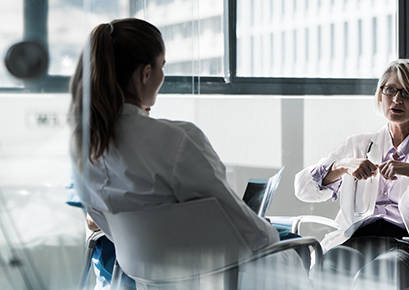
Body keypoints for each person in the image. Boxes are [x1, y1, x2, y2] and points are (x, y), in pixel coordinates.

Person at [69, 19, 279, 265]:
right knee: (295, 245)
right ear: (146, 74)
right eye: (162, 67)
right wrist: (266, 230)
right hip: (219, 277)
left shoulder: (84, 151)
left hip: (149, 280)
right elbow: (254, 237)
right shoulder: (177, 141)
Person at [295, 59, 409, 288]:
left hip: (407, 244)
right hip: (356, 239)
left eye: (408, 93)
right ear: (380, 94)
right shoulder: (358, 145)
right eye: (390, 90)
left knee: (374, 278)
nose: (397, 99)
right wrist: (342, 166)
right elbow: (303, 188)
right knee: (329, 268)